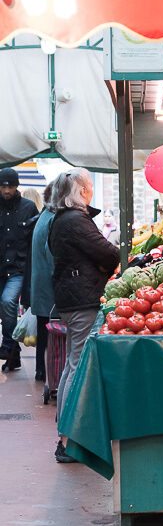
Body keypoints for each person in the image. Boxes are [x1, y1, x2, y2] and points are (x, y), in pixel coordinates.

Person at [48, 168, 119, 464]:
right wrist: (104, 267)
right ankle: (68, 439)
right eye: (88, 187)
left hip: (72, 297)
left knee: (72, 364)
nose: (91, 191)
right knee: (76, 364)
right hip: (81, 300)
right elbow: (109, 253)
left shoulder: (60, 220)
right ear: (81, 193)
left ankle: (66, 434)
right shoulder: (76, 221)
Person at [0, 168, 38, 373]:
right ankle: (13, 355)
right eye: (3, 186)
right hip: (1, 268)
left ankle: (7, 348)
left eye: (10, 186)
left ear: (17, 187)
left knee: (8, 302)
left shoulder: (28, 208)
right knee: (6, 308)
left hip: (18, 269)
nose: (7, 190)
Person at [30, 183, 57, 383]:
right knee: (50, 335)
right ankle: (48, 373)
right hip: (49, 291)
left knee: (43, 335)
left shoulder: (43, 216)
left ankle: (41, 371)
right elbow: (52, 258)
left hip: (41, 289)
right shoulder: (52, 220)